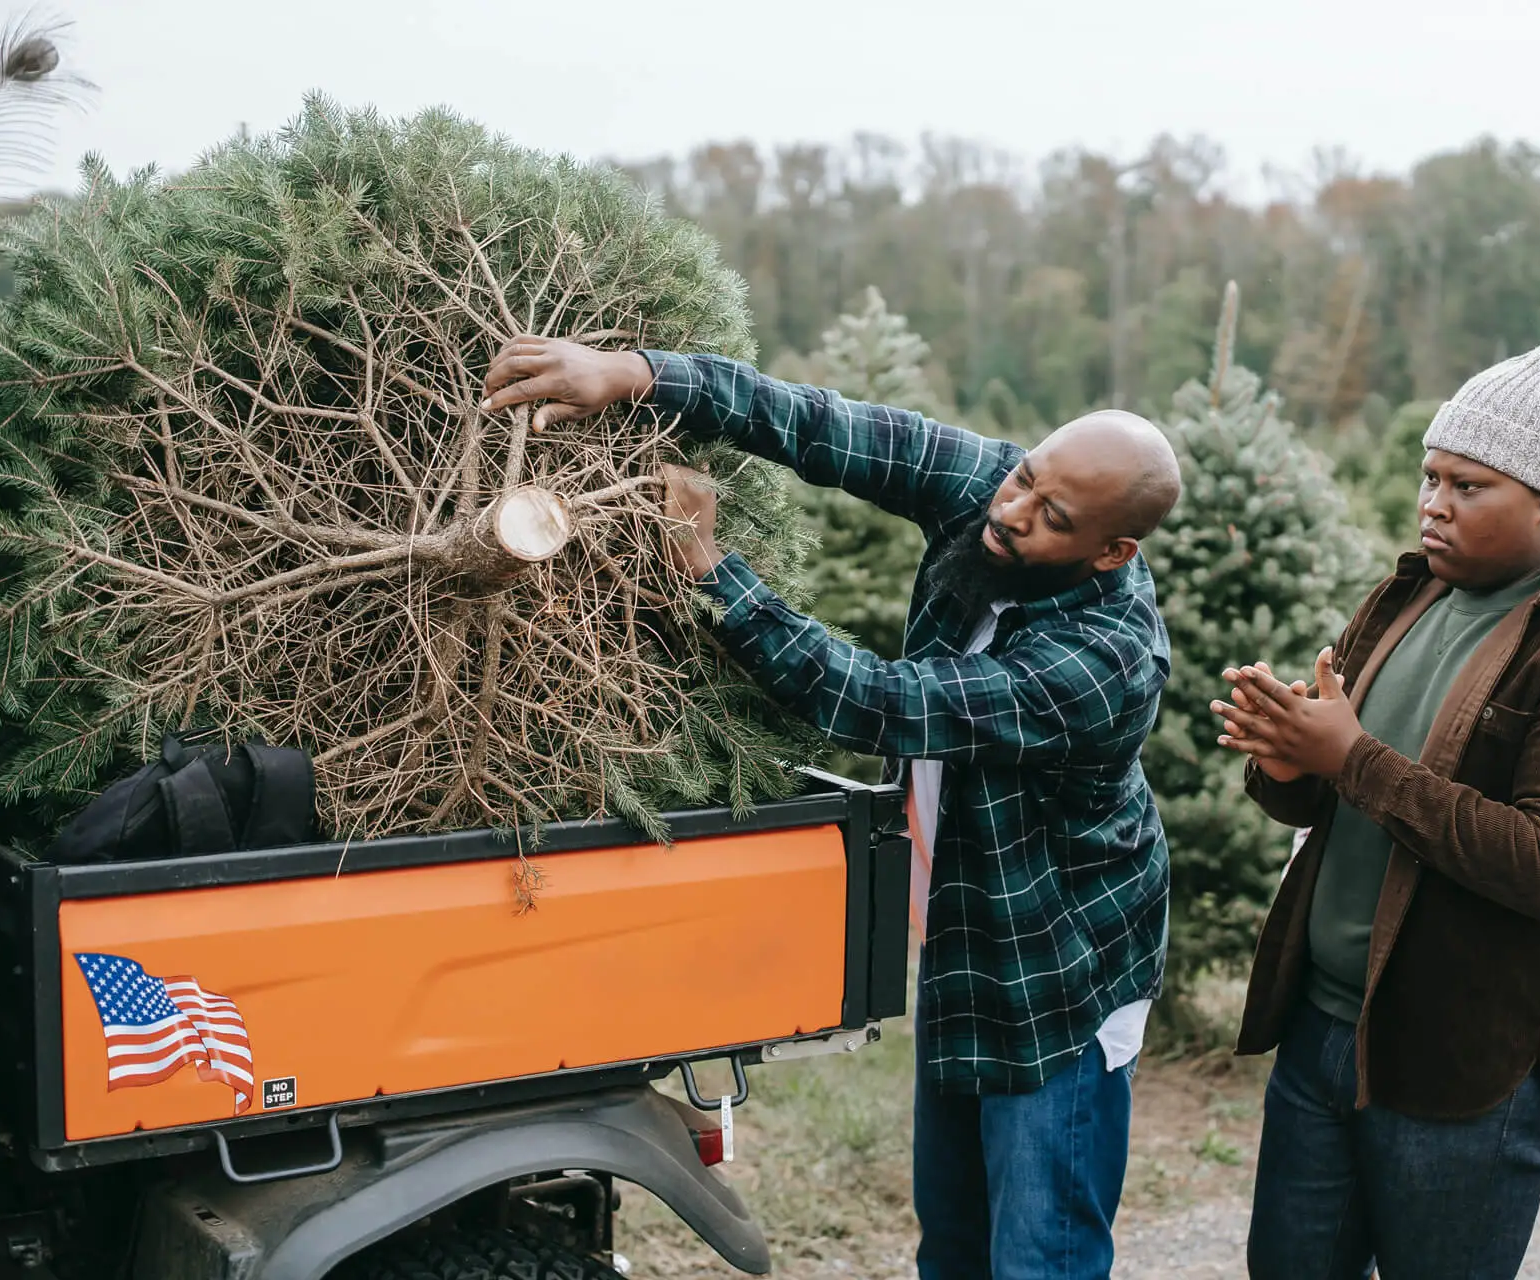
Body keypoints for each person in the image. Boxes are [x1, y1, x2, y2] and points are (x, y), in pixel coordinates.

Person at [481, 336, 1181, 1280]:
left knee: (1039, 1254)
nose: (1009, 511)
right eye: (1020, 478)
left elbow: (883, 702)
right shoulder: (1006, 497)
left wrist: (709, 568)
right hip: (968, 946)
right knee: (956, 1242)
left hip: (1055, 974)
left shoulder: (1101, 663)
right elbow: (831, 427)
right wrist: (637, 375)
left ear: (1111, 551)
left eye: (1048, 515)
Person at [1210, 342, 1540, 1279]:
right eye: (1430, 476)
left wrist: (1351, 758)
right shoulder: (1404, 597)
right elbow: (1326, 790)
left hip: (1470, 1067)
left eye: (1469, 485)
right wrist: (1287, 760)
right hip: (1322, 1035)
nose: (1434, 502)